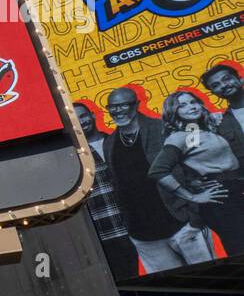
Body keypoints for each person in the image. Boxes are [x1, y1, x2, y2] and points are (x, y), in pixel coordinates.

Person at [102, 86, 214, 273]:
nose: (118, 111)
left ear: (137, 104)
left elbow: (191, 169)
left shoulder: (162, 128)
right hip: (144, 235)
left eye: (124, 105)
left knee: (213, 278)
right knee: (175, 291)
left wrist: (194, 216)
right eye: (113, 106)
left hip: (182, 224)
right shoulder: (109, 143)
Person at [149, 90, 244, 259]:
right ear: (174, 112)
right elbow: (158, 171)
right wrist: (193, 197)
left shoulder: (209, 127)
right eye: (182, 106)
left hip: (238, 189)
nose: (191, 107)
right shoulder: (179, 137)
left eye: (193, 102)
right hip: (222, 198)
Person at [73, 102, 138, 281]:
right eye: (75, 118)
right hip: (107, 233)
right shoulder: (75, 157)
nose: (82, 121)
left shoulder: (119, 141)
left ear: (93, 115)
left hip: (140, 229)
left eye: (84, 115)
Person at [201, 62, 244, 163]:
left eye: (227, 79)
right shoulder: (220, 123)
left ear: (240, 79)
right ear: (214, 92)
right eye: (216, 85)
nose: (224, 85)